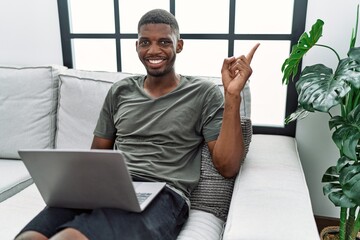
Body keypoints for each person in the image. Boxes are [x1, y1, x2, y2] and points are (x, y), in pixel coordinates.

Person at [16, 9, 259, 240]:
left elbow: (227, 166)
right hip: (110, 187)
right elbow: (96, 156)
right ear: (137, 46)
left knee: (71, 237)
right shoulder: (120, 91)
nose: (154, 50)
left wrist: (233, 95)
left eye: (164, 42)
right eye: (145, 42)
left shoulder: (203, 93)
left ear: (179, 45)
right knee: (31, 236)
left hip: (164, 194)